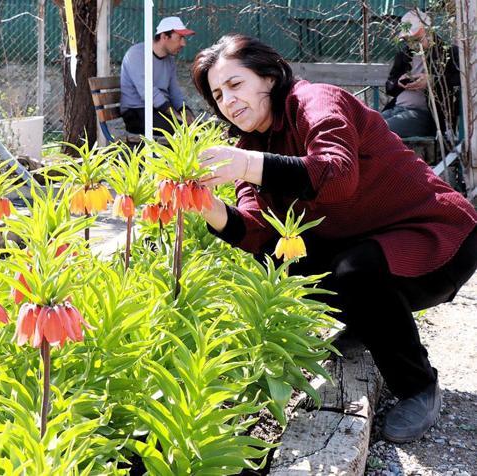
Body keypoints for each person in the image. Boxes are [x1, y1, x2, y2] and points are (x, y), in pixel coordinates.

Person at [191, 34, 477, 443]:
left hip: (442, 238)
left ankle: (417, 387)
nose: (228, 101)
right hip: (375, 243)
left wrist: (248, 164)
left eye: (235, 85)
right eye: (218, 95)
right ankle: (370, 320)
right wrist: (207, 208)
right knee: (280, 258)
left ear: (269, 78)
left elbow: (337, 175)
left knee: (356, 269)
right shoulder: (251, 145)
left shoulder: (316, 102)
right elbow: (257, 232)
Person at [382, 9, 460, 138]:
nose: (412, 44)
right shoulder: (404, 54)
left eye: (416, 39)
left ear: (429, 31)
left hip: (425, 115)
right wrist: (399, 82)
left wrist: (432, 80)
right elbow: (389, 86)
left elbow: (459, 80)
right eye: (408, 40)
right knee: (366, 126)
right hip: (396, 109)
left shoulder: (448, 53)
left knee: (377, 130)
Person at [120, 16, 196, 135]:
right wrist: (177, 117)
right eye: (180, 37)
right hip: (136, 113)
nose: (183, 43)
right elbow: (149, 93)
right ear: (164, 36)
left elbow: (175, 91)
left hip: (159, 111)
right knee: (185, 133)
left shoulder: (169, 60)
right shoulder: (136, 54)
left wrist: (186, 111)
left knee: (199, 130)